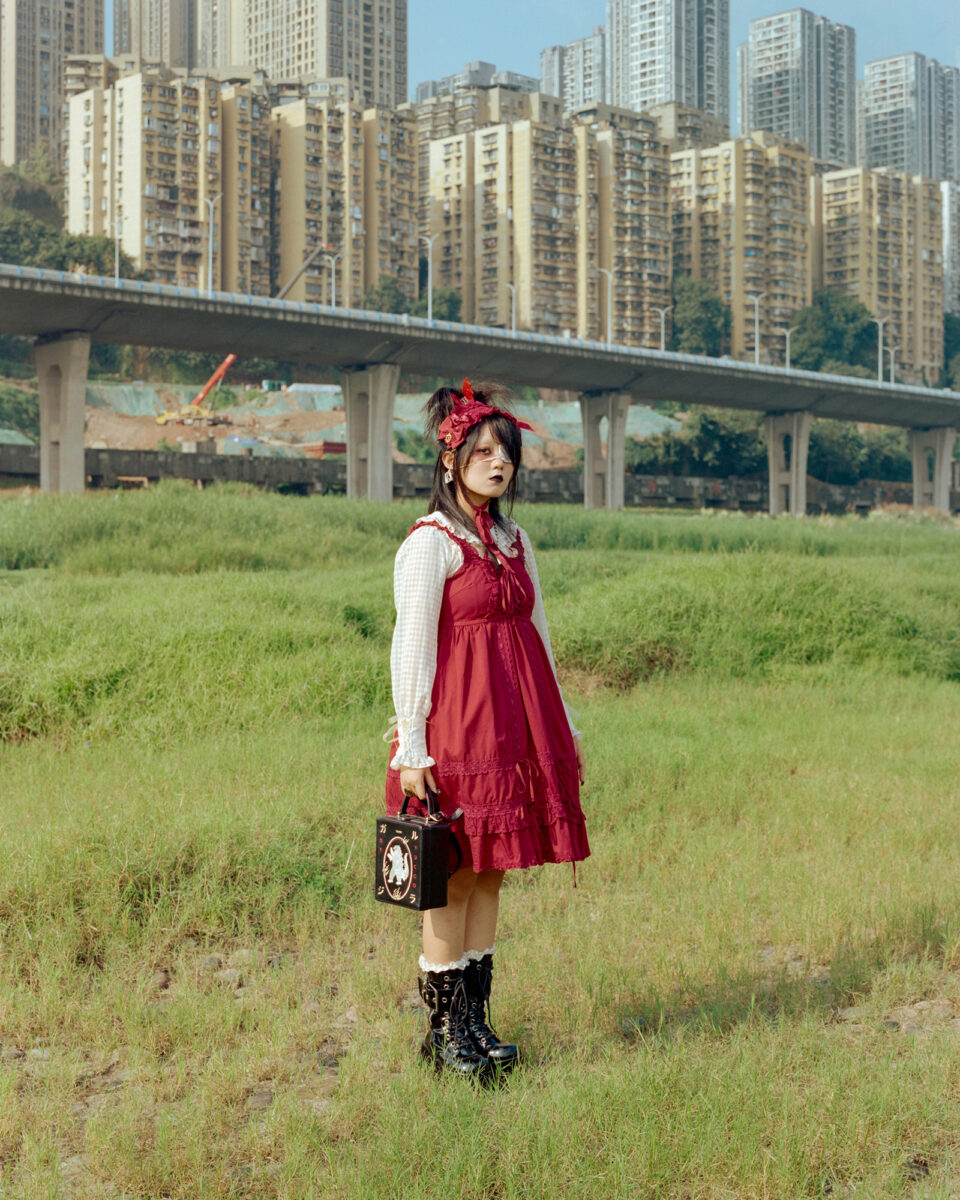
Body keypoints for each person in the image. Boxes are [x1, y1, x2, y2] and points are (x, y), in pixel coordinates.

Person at [385, 379, 589, 1080]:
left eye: (508, 454)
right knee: (453, 876)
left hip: (516, 728)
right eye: (485, 452)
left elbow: (541, 635)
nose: (499, 463)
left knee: (491, 876)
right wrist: (412, 748)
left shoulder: (514, 539)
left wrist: (562, 727)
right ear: (452, 459)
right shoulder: (429, 543)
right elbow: (410, 647)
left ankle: (474, 1021)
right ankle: (442, 1036)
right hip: (458, 729)